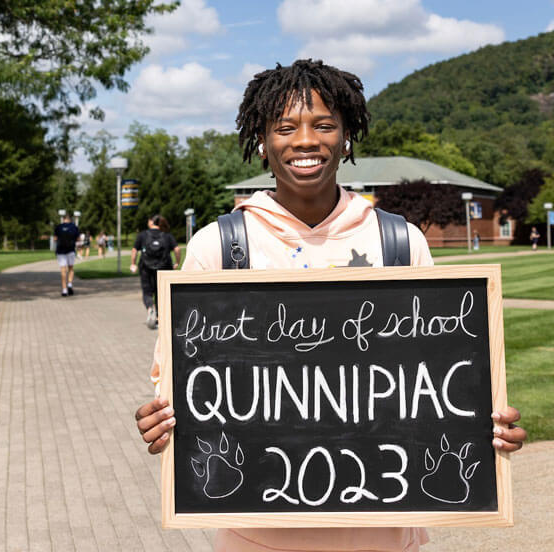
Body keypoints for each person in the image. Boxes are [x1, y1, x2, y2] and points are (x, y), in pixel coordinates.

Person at [132, 59, 526, 552]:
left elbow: (444, 385)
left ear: (346, 137)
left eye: (323, 125)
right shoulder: (222, 248)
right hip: (254, 534)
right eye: (284, 127)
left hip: (383, 529)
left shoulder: (399, 244)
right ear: (262, 140)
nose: (304, 141)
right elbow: (179, 385)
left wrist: (486, 426)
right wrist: (162, 420)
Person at [130, 214, 181, 329]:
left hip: (145, 267)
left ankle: (150, 308)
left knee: (147, 292)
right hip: (164, 267)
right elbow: (177, 249)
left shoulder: (143, 235)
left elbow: (134, 250)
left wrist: (133, 264)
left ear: (151, 222)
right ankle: (159, 317)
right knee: (161, 293)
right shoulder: (167, 236)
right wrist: (177, 262)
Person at [54, 213, 80, 296]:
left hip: (61, 251)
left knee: (63, 270)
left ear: (63, 219)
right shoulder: (74, 227)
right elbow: (78, 239)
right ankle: (70, 284)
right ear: (70, 219)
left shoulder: (58, 227)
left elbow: (55, 239)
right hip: (71, 250)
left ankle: (64, 290)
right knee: (71, 268)